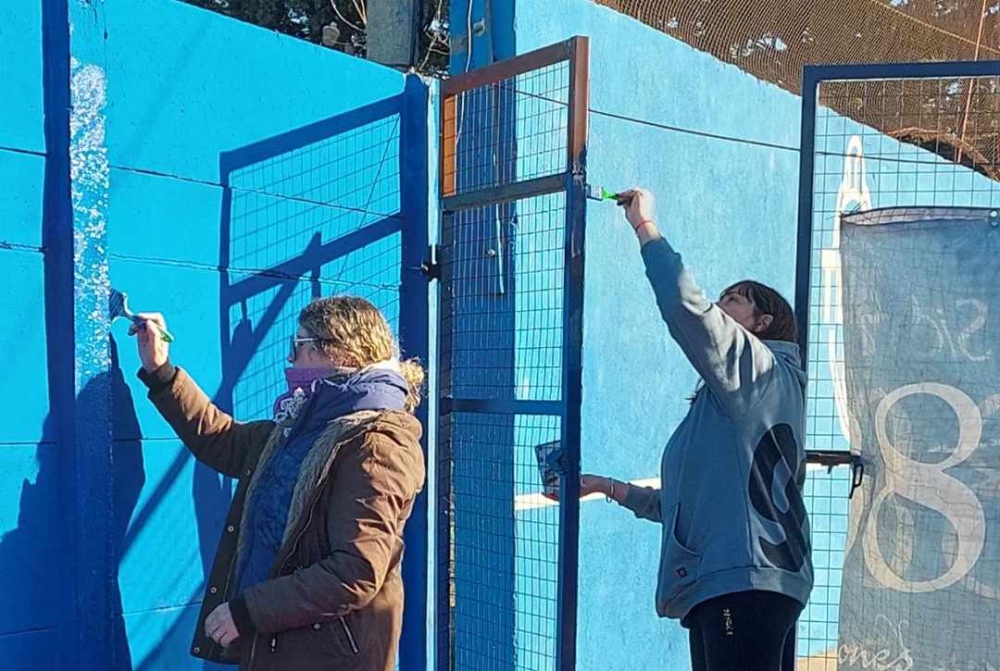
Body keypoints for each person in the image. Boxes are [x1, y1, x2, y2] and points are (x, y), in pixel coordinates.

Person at [130, 296, 425, 671]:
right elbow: (224, 441)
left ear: (340, 350)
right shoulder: (303, 425)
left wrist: (249, 611)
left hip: (326, 658)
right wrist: (161, 371)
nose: (290, 360)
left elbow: (356, 571)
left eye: (297, 347)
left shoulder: (376, 442)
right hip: (279, 645)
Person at [582, 189, 813, 670]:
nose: (720, 305)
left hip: (744, 583)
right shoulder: (734, 401)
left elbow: (689, 310)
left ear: (762, 322)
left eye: (733, 300)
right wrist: (610, 488)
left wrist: (646, 229)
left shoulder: (760, 371)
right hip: (745, 581)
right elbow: (695, 507)